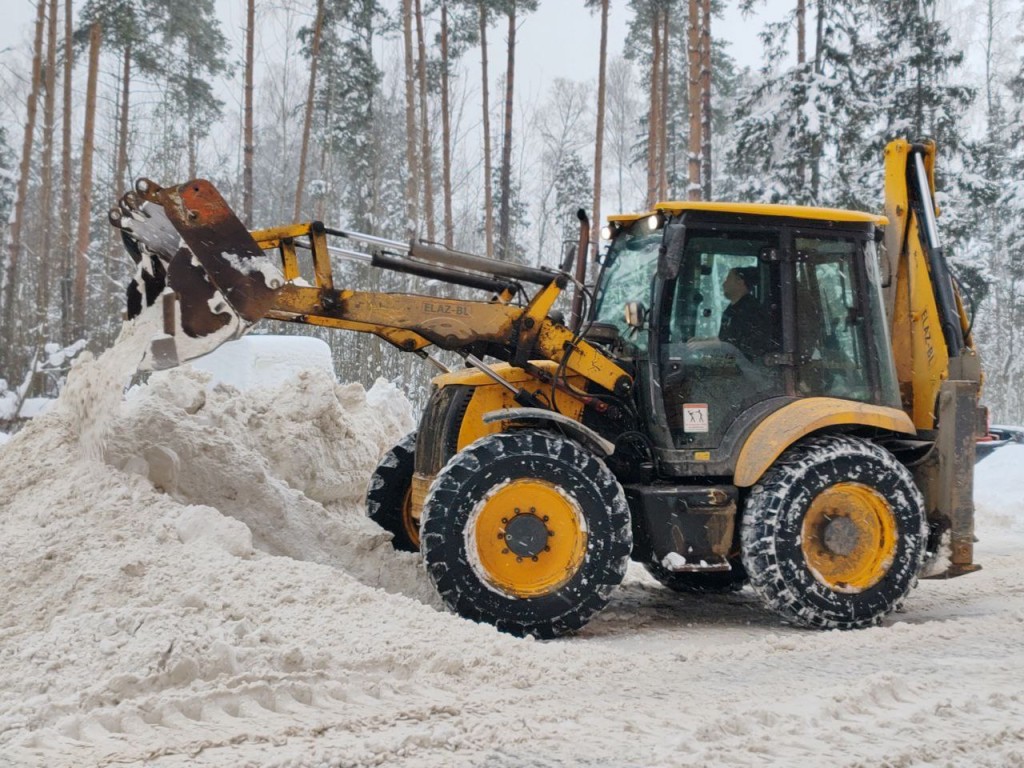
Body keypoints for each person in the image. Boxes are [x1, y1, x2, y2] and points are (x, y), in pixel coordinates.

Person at [718, 267, 774, 360]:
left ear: (740, 281)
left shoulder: (752, 311)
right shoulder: (731, 310)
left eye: (728, 279)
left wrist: (712, 344)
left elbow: (748, 346)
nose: (724, 284)